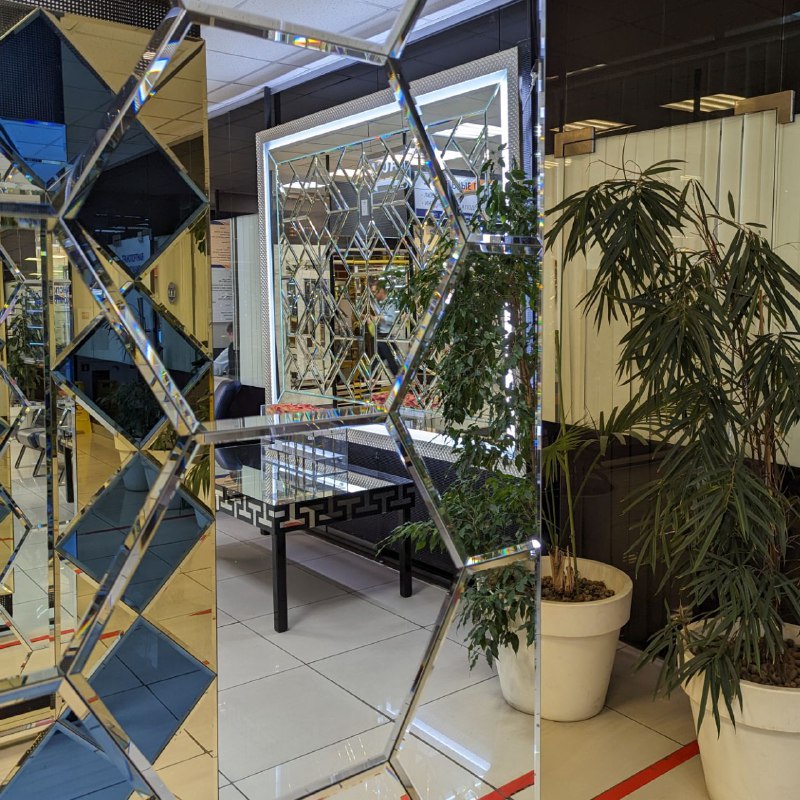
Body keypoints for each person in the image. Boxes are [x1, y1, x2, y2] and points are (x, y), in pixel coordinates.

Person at [368, 277, 399, 375]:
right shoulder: (376, 303)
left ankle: (368, 377)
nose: (373, 294)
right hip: (379, 335)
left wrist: (380, 318)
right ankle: (369, 377)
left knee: (386, 358)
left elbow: (392, 320)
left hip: (386, 336)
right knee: (386, 358)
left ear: (381, 290)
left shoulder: (390, 303)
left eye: (375, 291)